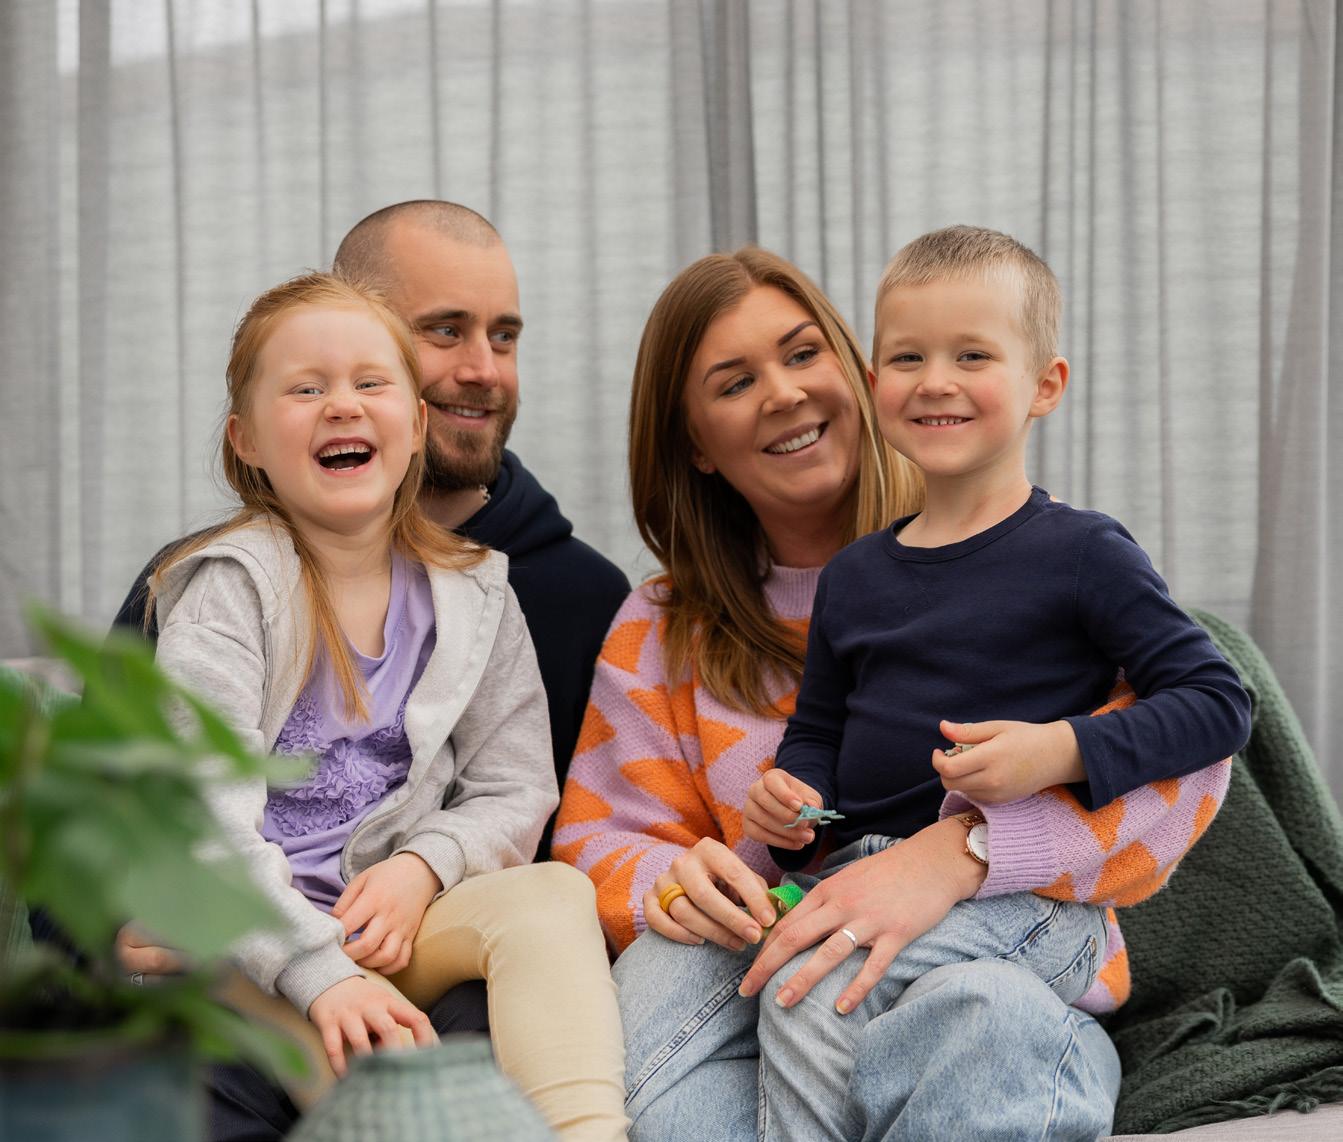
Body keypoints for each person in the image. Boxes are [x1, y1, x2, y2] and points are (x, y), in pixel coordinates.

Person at [554, 245, 1235, 1139]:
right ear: (694, 444)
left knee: (968, 1009)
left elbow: (1196, 746)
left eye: (802, 355)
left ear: (850, 373)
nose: (782, 394)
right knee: (648, 1025)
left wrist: (967, 850)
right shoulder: (686, 621)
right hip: (797, 918)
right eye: (735, 383)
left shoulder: (1058, 556)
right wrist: (689, 874)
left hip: (1004, 939)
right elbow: (599, 836)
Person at [737, 224, 1251, 1133]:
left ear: (1044, 385)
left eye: (971, 355)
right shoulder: (852, 577)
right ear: (874, 383)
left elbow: (1216, 704)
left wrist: (1058, 750)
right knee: (803, 982)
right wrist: (793, 803)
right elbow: (817, 731)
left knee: (808, 978)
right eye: (907, 357)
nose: (934, 380)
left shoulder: (1084, 552)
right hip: (866, 871)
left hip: (1029, 899)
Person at [145, 271, 625, 1140]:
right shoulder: (227, 592)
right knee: (397, 1092)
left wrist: (424, 867)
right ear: (246, 440)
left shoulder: (476, 595)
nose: (342, 405)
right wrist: (322, 974)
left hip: (397, 926)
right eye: (305, 389)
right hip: (250, 948)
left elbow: (516, 788)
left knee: (552, 895)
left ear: (415, 426)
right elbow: (201, 823)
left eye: (371, 383)